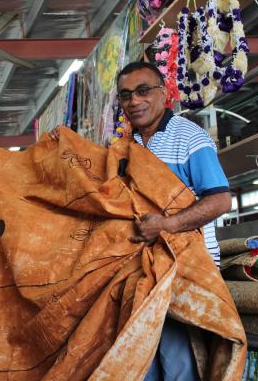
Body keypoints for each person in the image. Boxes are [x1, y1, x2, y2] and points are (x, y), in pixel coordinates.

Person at [50, 61, 232, 380]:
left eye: (143, 91)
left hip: (185, 268)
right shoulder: (125, 149)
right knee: (139, 356)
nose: (134, 101)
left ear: (164, 94)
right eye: (125, 95)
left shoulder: (189, 137)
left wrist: (167, 225)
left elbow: (220, 200)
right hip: (141, 272)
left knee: (177, 361)